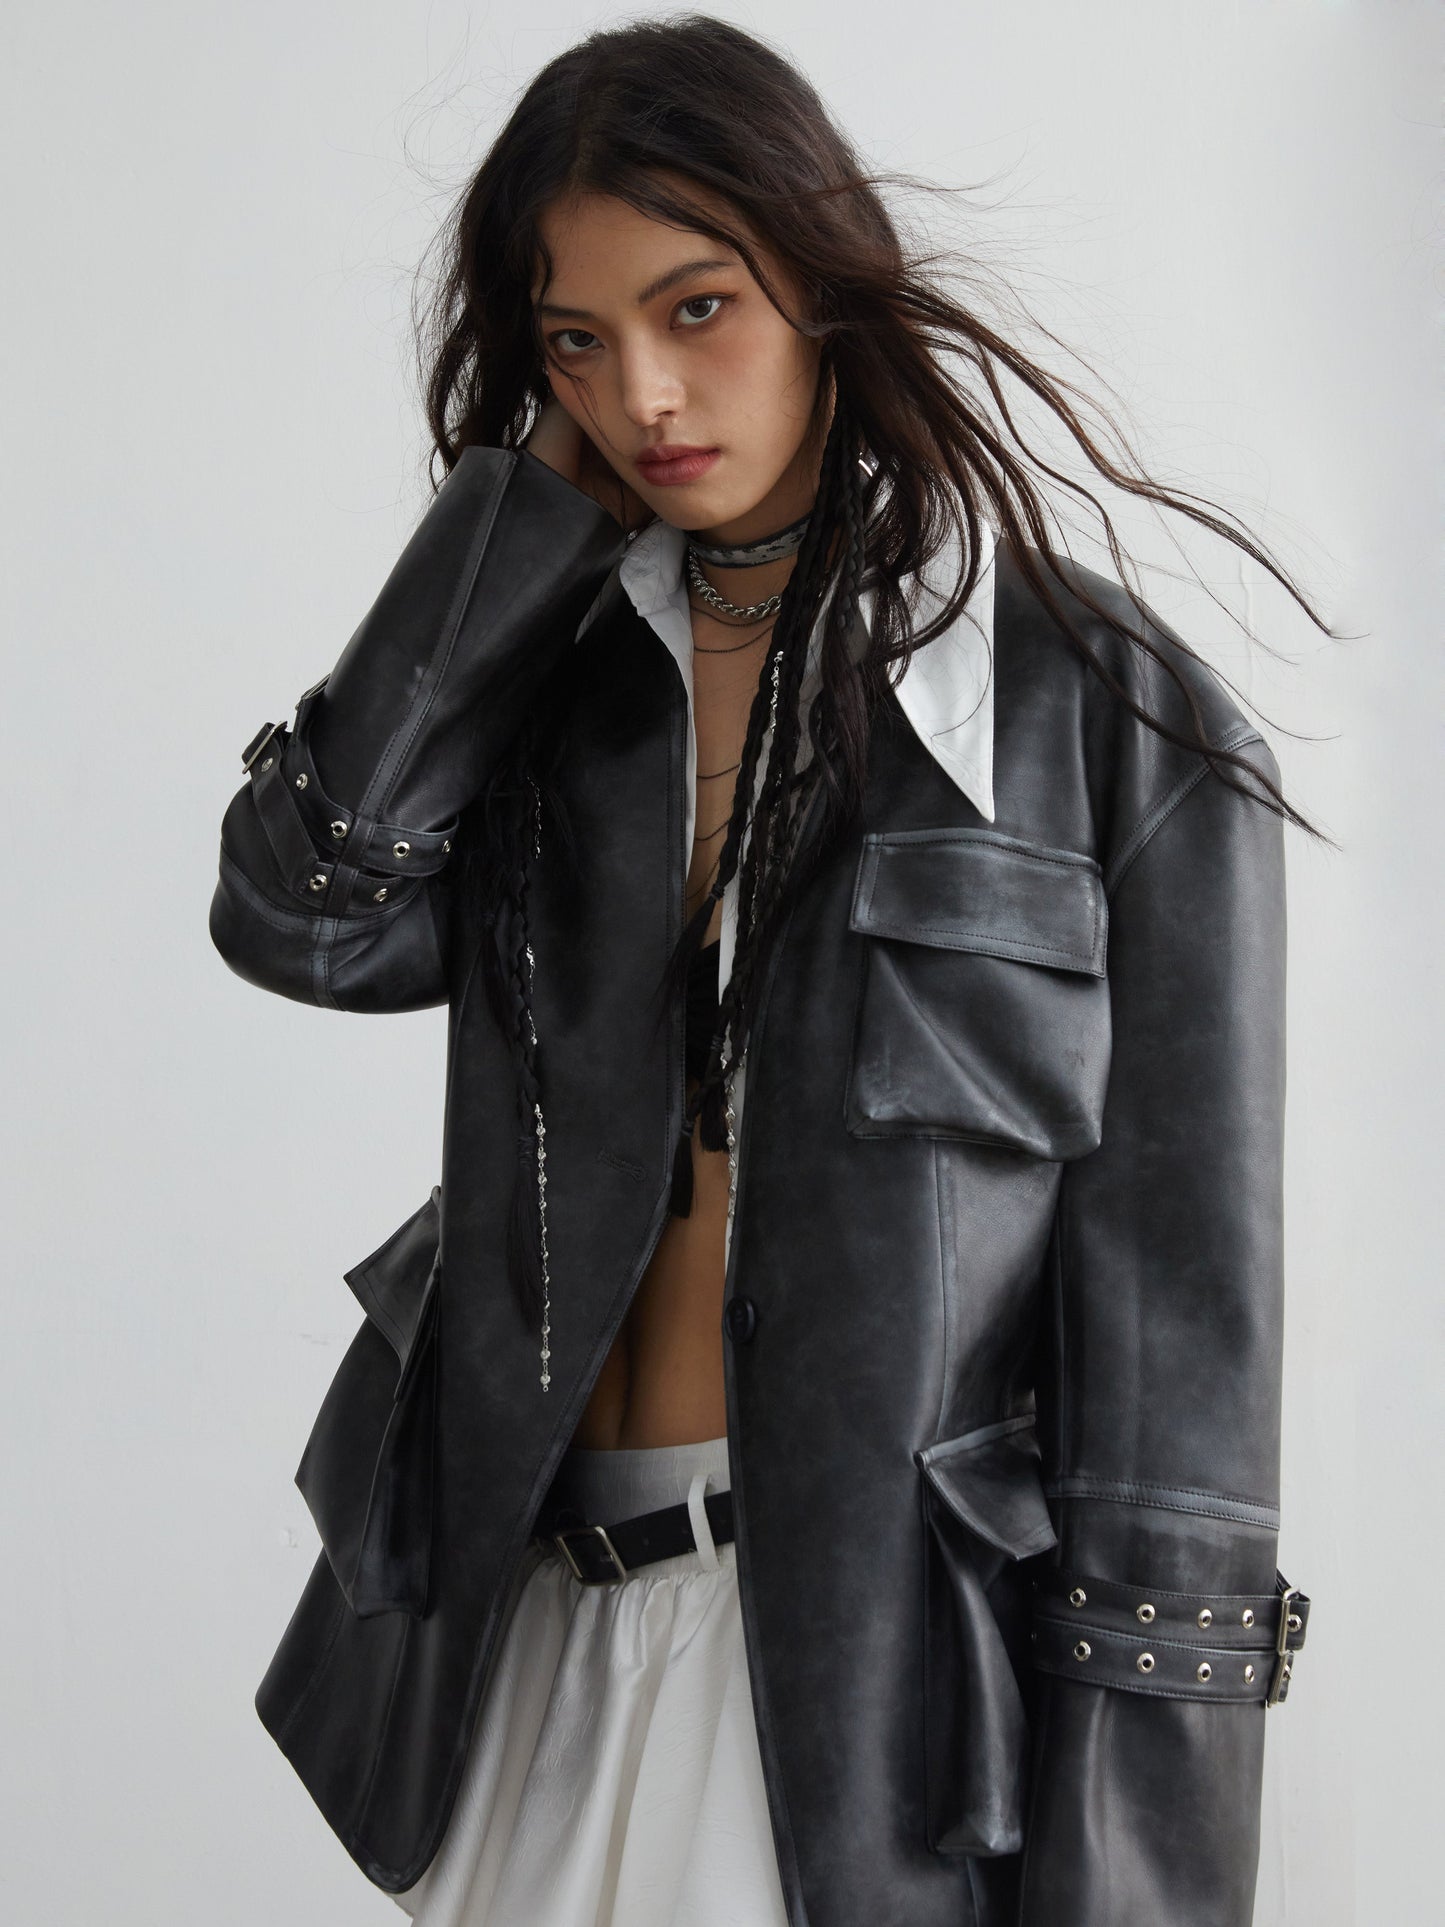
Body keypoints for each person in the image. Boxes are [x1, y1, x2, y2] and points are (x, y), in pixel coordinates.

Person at [209, 16, 1324, 1925]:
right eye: (577, 341)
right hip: (522, 1663)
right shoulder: (549, 700)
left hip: (853, 1713)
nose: (645, 392)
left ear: (821, 276)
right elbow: (302, 919)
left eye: (697, 307)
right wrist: (515, 526)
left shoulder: (1110, 729)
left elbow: (1179, 1399)